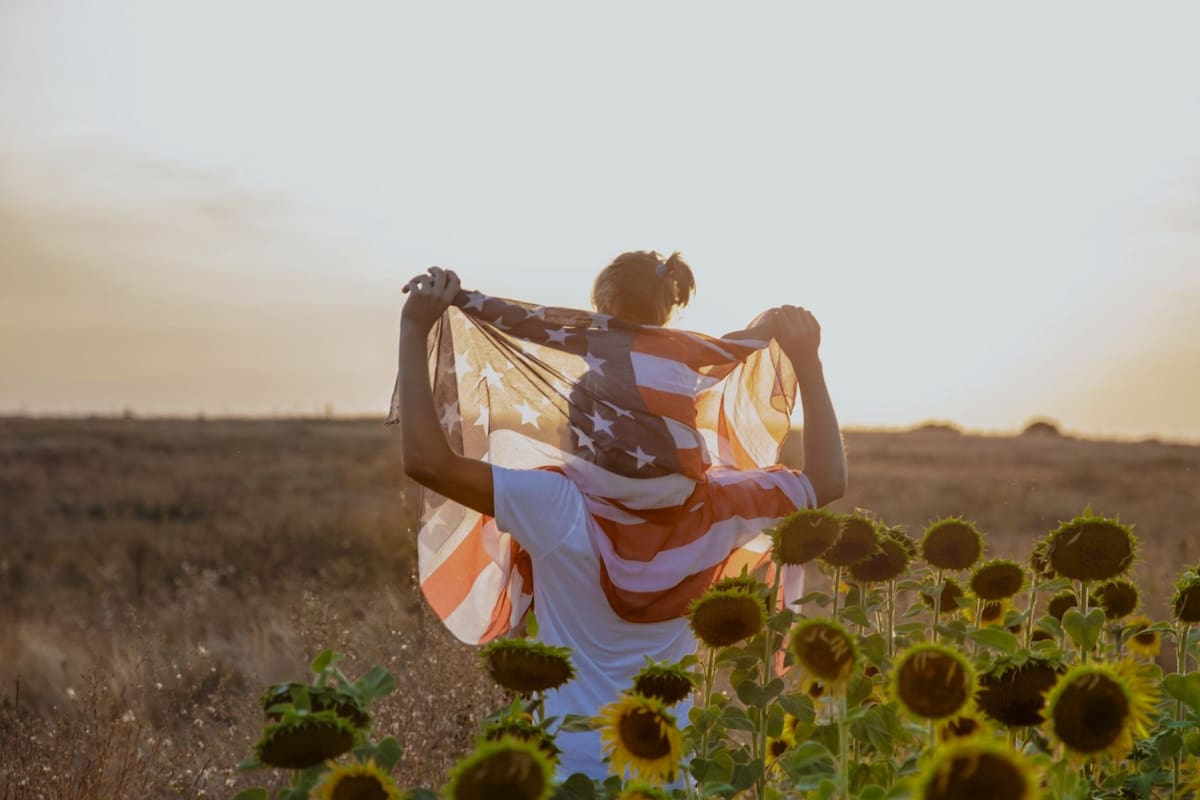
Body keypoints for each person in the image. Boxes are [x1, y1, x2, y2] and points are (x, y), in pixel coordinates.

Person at [396, 251, 847, 779]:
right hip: (666, 779)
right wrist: (807, 363)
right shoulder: (720, 509)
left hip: (567, 776)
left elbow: (427, 461)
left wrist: (414, 327)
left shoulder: (557, 508)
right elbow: (826, 480)